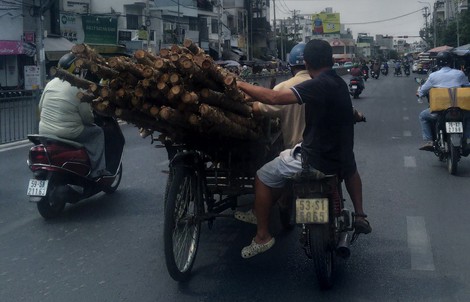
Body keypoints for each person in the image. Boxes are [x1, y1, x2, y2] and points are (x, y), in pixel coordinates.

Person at [236, 39, 371, 258]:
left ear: (307, 63)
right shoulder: (339, 84)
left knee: (262, 176)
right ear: (331, 60)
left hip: (314, 159)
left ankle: (262, 236)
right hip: (341, 158)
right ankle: (360, 215)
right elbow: (350, 113)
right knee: (351, 167)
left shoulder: (316, 85)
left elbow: (273, 97)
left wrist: (239, 85)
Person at [38, 52, 110, 178]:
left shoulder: (50, 84)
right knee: (97, 132)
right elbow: (87, 118)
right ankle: (98, 171)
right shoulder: (77, 87)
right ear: (75, 69)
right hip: (68, 132)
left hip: (44, 131)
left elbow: (40, 107)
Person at [417, 51, 470, 151]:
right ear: (450, 62)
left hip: (440, 110)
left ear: (438, 63)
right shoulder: (459, 73)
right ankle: (467, 138)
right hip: (459, 108)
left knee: (423, 116)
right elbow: (467, 86)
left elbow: (423, 90)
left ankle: (429, 141)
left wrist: (419, 94)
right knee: (468, 117)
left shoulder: (433, 76)